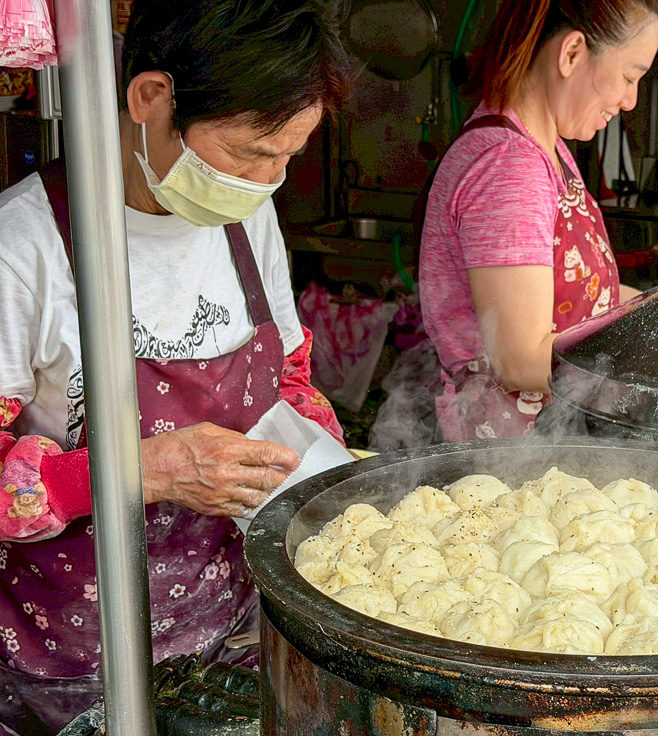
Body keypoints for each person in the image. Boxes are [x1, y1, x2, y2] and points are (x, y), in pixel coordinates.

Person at [0, 0, 351, 732]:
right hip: (67, 673)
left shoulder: (248, 218)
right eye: (251, 152)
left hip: (232, 641)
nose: (269, 182)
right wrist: (145, 470)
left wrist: (331, 472)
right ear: (151, 99)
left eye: (289, 155)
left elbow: (286, 379)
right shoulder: (22, 245)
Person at [418, 0, 658, 442]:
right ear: (570, 53)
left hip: (554, 442)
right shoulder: (509, 166)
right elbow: (520, 360)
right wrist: (653, 365)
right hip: (507, 456)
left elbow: (587, 296)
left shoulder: (545, 149)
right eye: (629, 77)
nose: (630, 100)